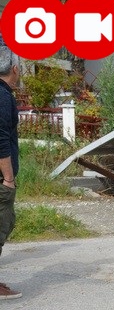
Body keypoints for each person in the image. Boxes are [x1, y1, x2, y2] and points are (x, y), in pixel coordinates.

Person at [0, 37, 21, 300]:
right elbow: (0, 138)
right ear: (14, 69)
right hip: (0, 178)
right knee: (2, 225)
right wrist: (8, 178)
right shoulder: (3, 96)